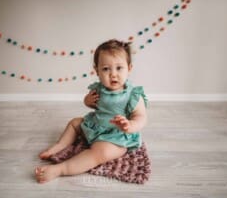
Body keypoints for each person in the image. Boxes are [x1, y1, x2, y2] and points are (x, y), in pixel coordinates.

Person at [35, 39, 148, 184]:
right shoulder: (98, 88)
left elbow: (141, 117)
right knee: (74, 123)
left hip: (116, 136)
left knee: (100, 153)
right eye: (106, 69)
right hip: (96, 125)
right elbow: (93, 105)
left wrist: (129, 125)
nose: (113, 74)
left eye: (119, 68)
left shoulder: (133, 95)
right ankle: (59, 145)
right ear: (97, 71)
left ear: (129, 68)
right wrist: (87, 101)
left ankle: (60, 169)